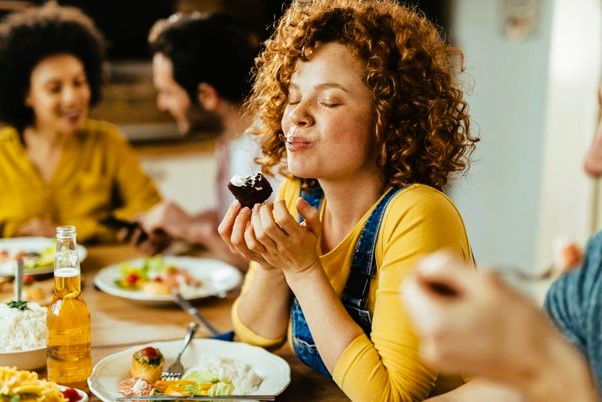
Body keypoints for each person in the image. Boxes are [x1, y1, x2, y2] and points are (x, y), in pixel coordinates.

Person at [218, 0, 479, 400]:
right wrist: (273, 264)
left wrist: (304, 271)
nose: (297, 116)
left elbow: (391, 396)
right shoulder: (299, 193)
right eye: (292, 97)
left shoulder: (417, 215)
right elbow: (253, 340)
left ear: (388, 119)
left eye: (329, 101)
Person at [403, 84, 602, 402]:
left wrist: (538, 365)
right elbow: (508, 393)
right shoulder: (593, 272)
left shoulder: (420, 210)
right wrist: (525, 358)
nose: (592, 163)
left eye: (331, 101)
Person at [0, 3, 161, 243]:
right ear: (26, 96)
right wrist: (16, 231)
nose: (72, 97)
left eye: (78, 82)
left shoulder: (108, 142)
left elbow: (152, 213)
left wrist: (68, 232)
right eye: (55, 88)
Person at [130, 12, 271, 268]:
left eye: (167, 92)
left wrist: (194, 230)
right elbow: (239, 220)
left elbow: (269, 261)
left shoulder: (272, 150)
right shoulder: (231, 135)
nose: (162, 104)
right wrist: (175, 230)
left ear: (206, 95)